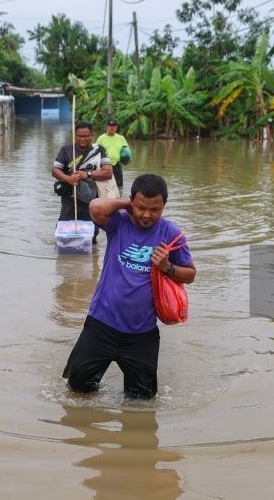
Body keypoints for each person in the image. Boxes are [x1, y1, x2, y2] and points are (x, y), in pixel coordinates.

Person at [62, 174, 196, 399]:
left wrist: (167, 267)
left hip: (142, 333)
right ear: (132, 201)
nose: (147, 215)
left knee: (142, 401)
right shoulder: (119, 222)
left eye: (155, 209)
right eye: (141, 207)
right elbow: (95, 207)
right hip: (101, 323)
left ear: (164, 206)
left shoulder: (171, 234)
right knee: (76, 389)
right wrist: (127, 205)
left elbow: (190, 274)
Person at [52, 121, 113, 244]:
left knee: (90, 233)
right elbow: (55, 171)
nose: (83, 139)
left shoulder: (99, 150)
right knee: (65, 230)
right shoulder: (66, 150)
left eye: (86, 136)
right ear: (75, 135)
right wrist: (68, 179)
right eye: (80, 136)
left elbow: (108, 173)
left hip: (92, 198)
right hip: (70, 196)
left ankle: (91, 252)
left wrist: (88, 174)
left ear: (92, 136)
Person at [95, 119, 130, 189]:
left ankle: (119, 195)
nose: (112, 128)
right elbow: (96, 152)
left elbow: (126, 151)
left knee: (119, 187)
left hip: (117, 165)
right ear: (107, 127)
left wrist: (126, 160)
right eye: (110, 126)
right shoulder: (101, 138)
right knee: (105, 186)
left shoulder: (121, 138)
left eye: (114, 126)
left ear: (116, 127)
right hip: (104, 166)